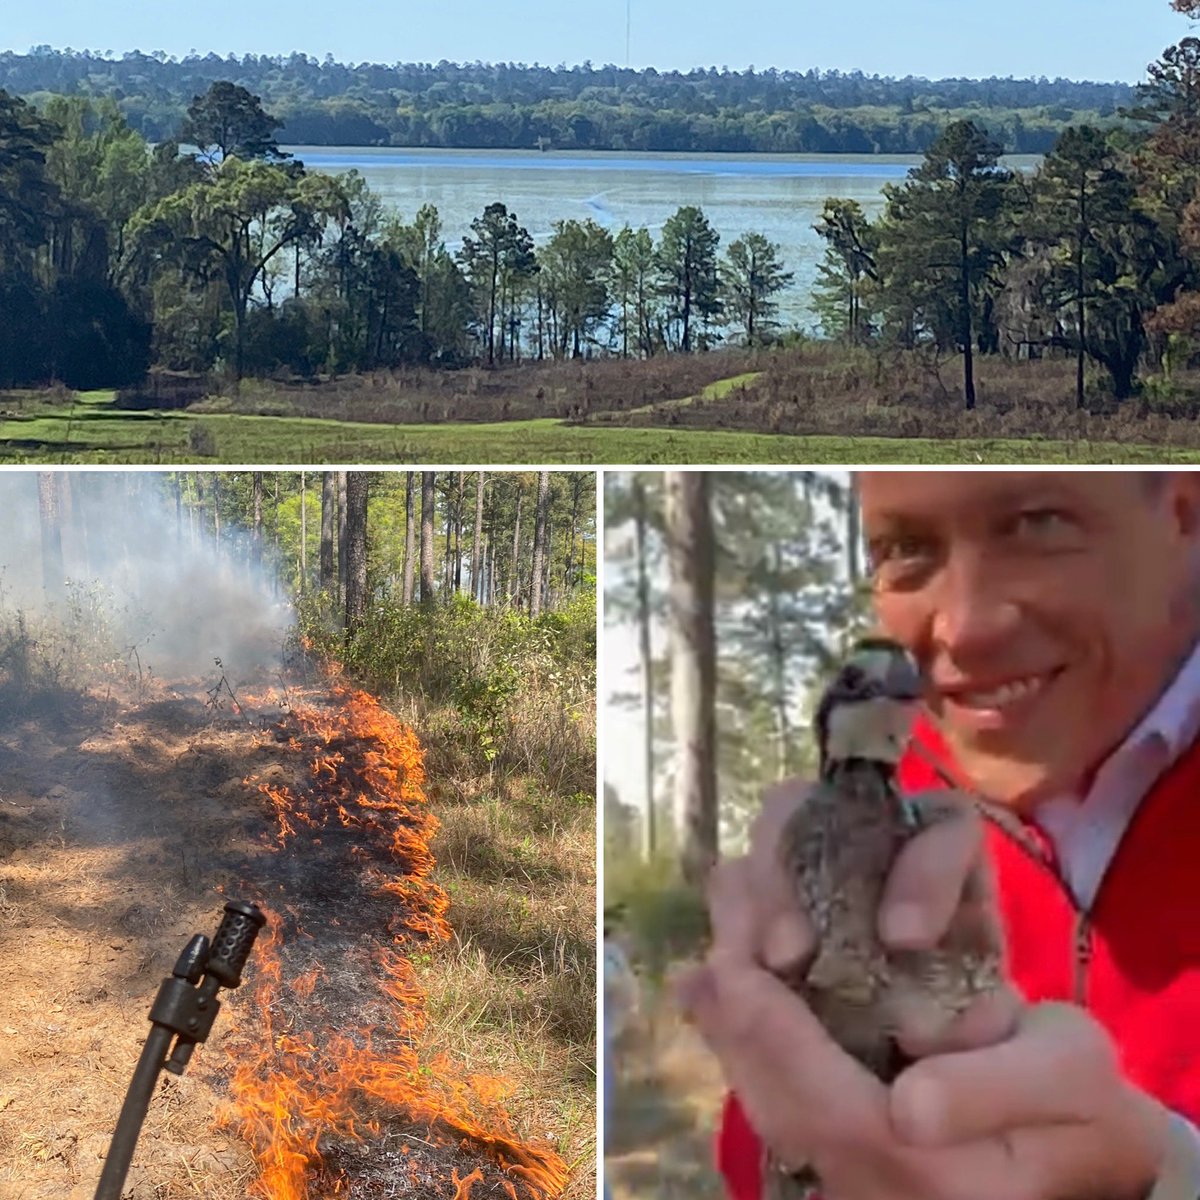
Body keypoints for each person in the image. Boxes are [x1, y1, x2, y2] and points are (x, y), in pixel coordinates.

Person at [677, 471, 1200, 1200]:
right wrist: (791, 1046)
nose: (961, 627)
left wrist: (1167, 1173)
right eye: (905, 548)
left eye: (1037, 524)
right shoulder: (897, 796)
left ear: (1184, 514)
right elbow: (766, 1158)